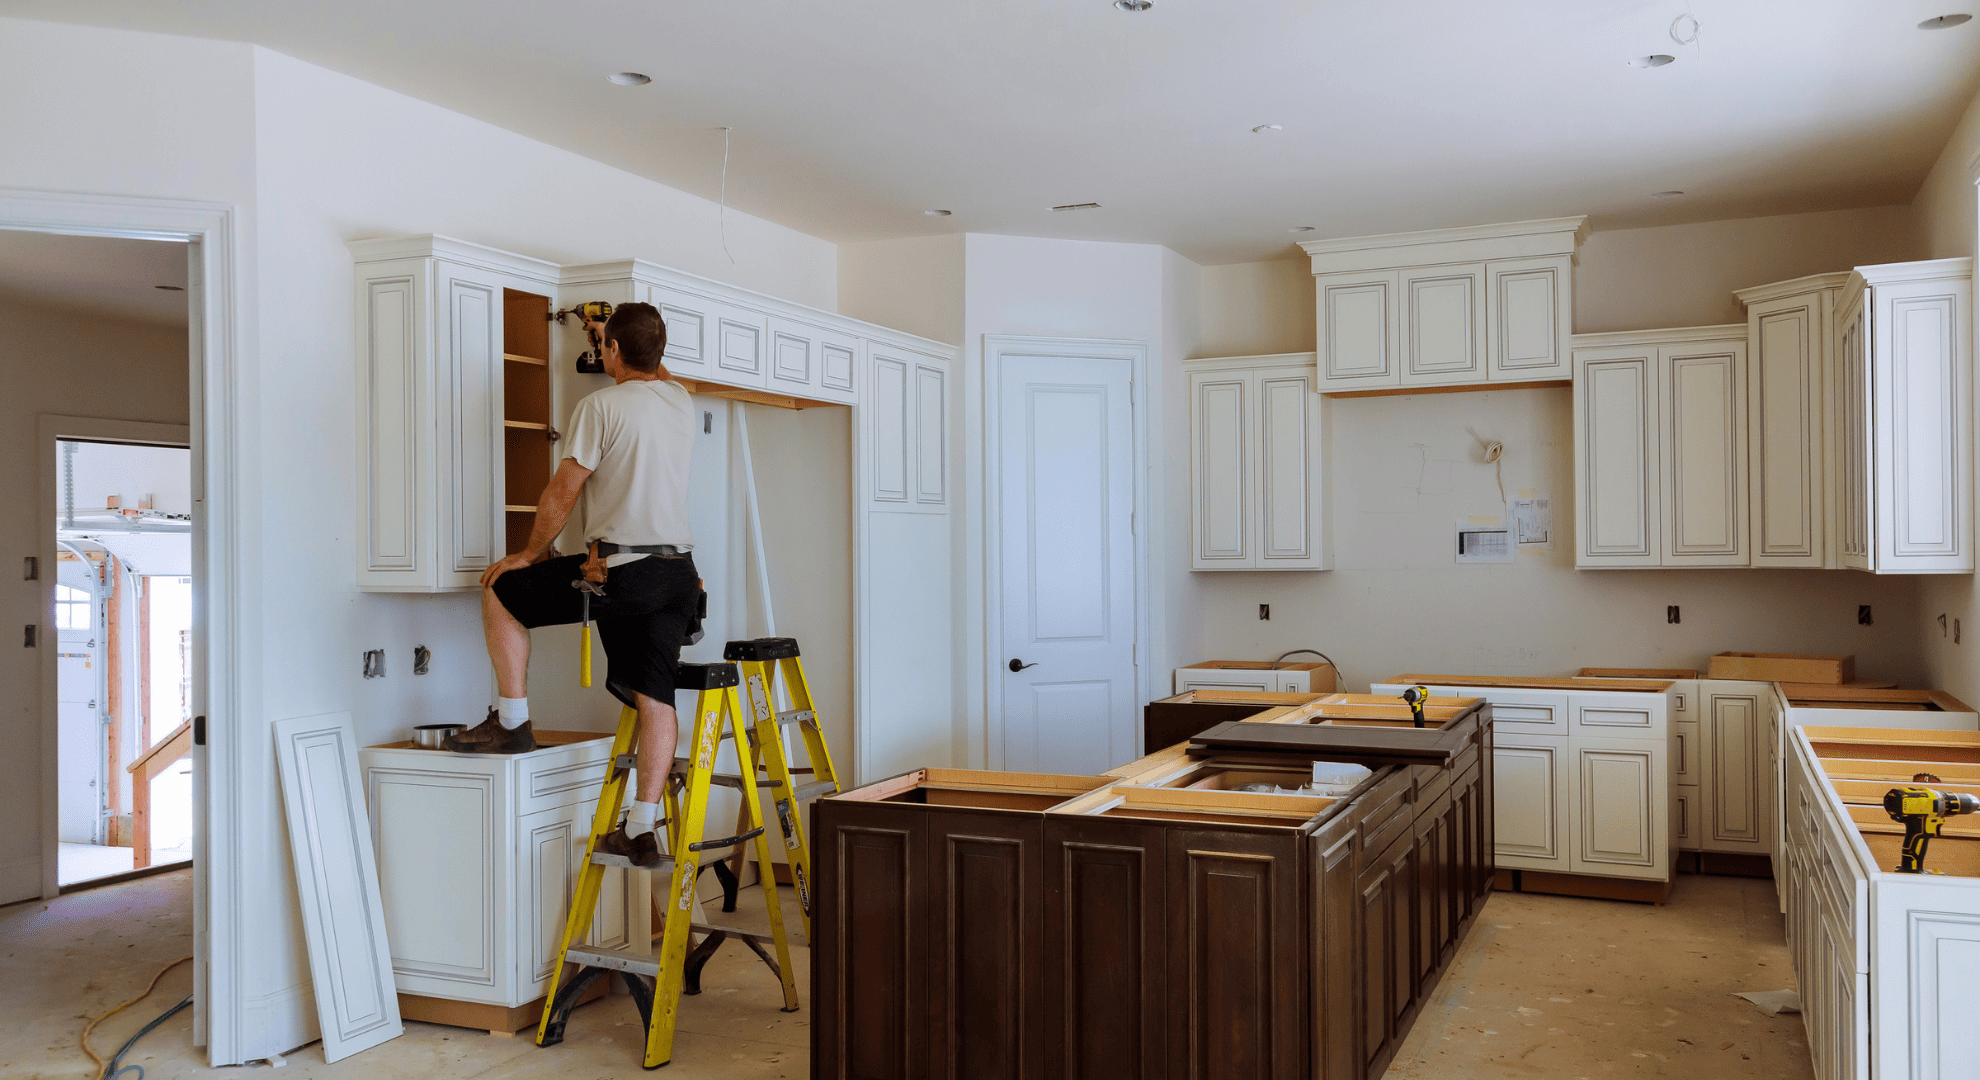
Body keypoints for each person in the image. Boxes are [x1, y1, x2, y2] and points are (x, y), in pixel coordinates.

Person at [448, 301, 699, 868]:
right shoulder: (679, 399)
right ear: (659, 353)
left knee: (500, 591)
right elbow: (649, 365)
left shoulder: (600, 406)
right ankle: (640, 829)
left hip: (623, 569)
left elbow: (563, 490)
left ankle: (512, 724)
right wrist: (613, 335)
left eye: (606, 344)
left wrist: (529, 554)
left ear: (611, 350)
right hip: (676, 574)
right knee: (656, 697)